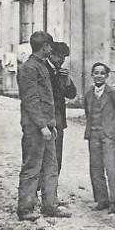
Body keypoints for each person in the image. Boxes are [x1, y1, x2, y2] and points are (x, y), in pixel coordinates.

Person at [16, 31, 71, 221]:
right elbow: (31, 100)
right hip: (35, 128)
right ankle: (25, 208)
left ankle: (50, 205)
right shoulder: (29, 68)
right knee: (32, 167)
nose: (51, 49)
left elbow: (48, 100)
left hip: (47, 126)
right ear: (45, 47)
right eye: (50, 46)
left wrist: (51, 124)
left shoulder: (41, 66)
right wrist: (42, 126)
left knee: (51, 166)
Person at [83, 62, 115, 212]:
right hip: (94, 134)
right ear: (92, 75)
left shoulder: (113, 93)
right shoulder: (88, 94)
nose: (99, 76)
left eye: (102, 73)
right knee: (95, 167)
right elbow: (88, 113)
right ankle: (101, 199)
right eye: (96, 73)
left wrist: (114, 128)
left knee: (111, 166)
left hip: (108, 135)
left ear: (107, 76)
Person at [48, 41, 77, 175]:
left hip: (59, 121)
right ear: (51, 55)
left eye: (64, 58)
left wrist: (67, 81)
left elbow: (71, 95)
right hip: (46, 120)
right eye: (60, 57)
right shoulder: (44, 69)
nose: (62, 61)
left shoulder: (61, 73)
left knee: (57, 157)